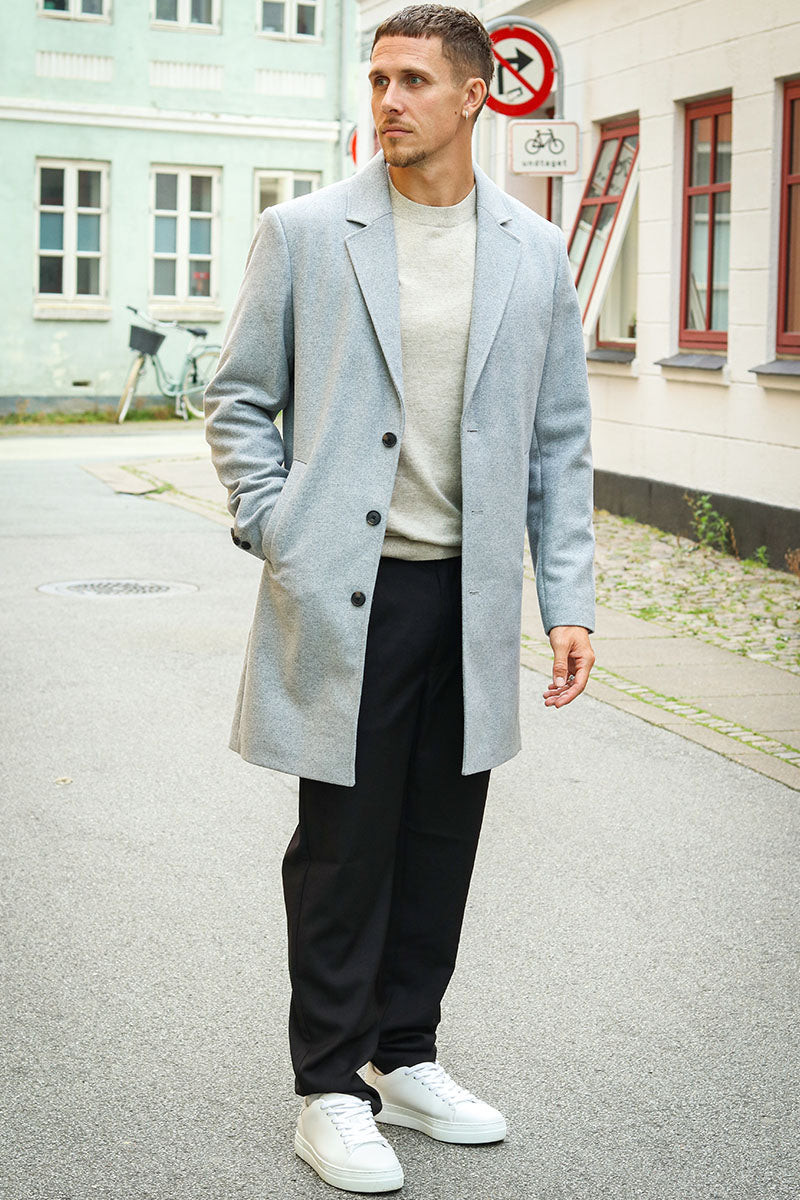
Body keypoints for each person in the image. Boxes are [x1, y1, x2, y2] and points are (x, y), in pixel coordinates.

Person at [204, 4, 595, 1192]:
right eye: (377, 78)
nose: (387, 100)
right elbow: (238, 398)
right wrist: (274, 524)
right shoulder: (305, 233)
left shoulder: (531, 250)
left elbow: (557, 440)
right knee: (343, 846)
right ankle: (328, 1085)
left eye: (414, 80)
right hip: (345, 593)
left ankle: (405, 1055)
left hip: (467, 598)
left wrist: (566, 600)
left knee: (439, 838)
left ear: (474, 95)